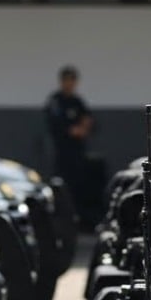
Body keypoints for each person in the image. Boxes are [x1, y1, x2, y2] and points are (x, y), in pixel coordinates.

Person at [44, 65, 100, 228]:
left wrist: (84, 128)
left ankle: (79, 219)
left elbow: (90, 122)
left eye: (72, 80)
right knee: (61, 187)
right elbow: (58, 126)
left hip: (78, 153)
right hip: (62, 153)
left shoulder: (77, 102)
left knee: (80, 187)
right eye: (66, 80)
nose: (69, 84)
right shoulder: (56, 101)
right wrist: (74, 129)